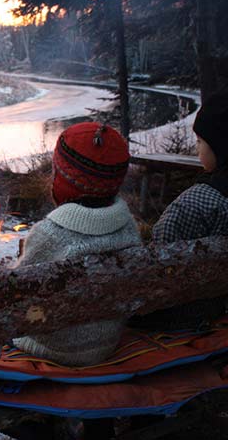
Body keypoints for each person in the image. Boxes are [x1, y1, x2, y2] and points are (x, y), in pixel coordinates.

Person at [138, 86, 228, 330]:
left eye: (200, 141)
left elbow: (158, 270)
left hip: (182, 319)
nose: (197, 149)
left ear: (223, 147)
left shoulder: (193, 206)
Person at [12, 122, 141, 366]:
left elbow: (16, 298)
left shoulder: (50, 234)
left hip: (53, 348)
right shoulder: (128, 227)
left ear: (63, 178)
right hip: (106, 343)